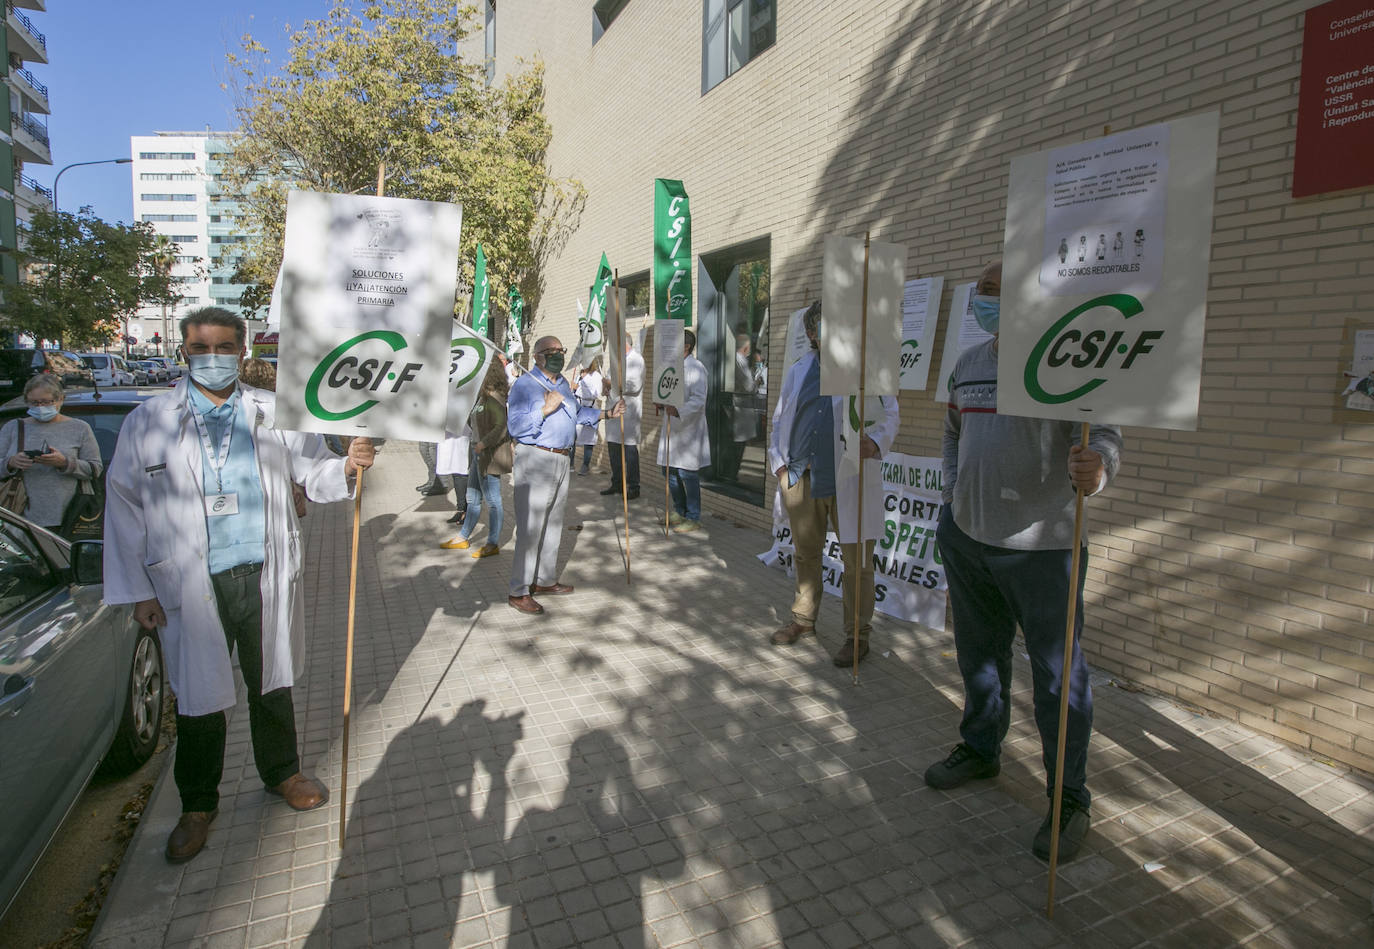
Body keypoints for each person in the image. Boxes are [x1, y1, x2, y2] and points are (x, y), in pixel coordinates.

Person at [103, 307, 376, 864]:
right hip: (188, 583)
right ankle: (198, 804)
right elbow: (123, 508)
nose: (213, 358)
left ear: (243, 353)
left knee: (271, 682)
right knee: (198, 697)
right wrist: (139, 591)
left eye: (225, 348)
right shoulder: (149, 421)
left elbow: (311, 472)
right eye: (200, 349)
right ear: (183, 354)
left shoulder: (274, 412)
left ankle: (282, 774)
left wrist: (348, 466)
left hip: (264, 572)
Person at [923, 259, 1121, 864]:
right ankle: (982, 749)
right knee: (978, 657)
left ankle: (1069, 798)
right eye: (980, 293)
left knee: (1059, 679)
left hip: (1044, 552)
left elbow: (1105, 433)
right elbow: (953, 432)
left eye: (995, 293)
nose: (984, 301)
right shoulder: (968, 365)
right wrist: (953, 497)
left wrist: (1100, 469)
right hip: (969, 539)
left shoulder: (1069, 360)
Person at [766, 301, 899, 666]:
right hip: (802, 478)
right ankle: (803, 620)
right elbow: (780, 421)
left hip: (850, 477)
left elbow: (890, 412)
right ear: (813, 334)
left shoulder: (866, 368)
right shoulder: (799, 369)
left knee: (858, 563)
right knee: (806, 553)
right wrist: (780, 467)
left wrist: (878, 442)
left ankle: (857, 635)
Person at [505, 336, 621, 615]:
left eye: (561, 350)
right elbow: (516, 426)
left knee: (554, 523)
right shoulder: (525, 385)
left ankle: (545, 579)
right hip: (535, 458)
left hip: (561, 459)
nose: (558, 355)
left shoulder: (563, 386)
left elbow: (577, 413)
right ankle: (519, 590)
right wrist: (544, 409)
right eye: (551, 351)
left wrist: (607, 414)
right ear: (537, 357)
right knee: (531, 527)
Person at [0, 375, 102, 531]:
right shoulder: (13, 427)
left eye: (46, 402)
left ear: (60, 400)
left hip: (70, 517)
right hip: (20, 518)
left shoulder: (80, 428)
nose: (40, 407)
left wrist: (64, 463)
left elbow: (95, 469)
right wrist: (10, 462)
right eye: (34, 403)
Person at [441, 358, 511, 558]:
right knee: (472, 497)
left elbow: (501, 426)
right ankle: (463, 537)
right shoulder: (482, 396)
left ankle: (493, 542)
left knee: (493, 500)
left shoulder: (495, 397)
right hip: (478, 452)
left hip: (489, 455)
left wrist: (483, 443)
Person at [656, 330, 710, 534]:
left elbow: (698, 400)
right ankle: (679, 510)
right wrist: (661, 403)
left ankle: (694, 516)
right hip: (672, 429)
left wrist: (678, 410)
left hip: (688, 430)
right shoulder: (672, 367)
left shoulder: (696, 369)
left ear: (686, 346)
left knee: (687, 474)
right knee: (669, 472)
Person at [601, 332, 644, 500]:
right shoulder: (615, 361)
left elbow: (633, 385)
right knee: (614, 451)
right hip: (613, 411)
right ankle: (617, 483)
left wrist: (610, 383)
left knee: (630, 452)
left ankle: (634, 486)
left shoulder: (636, 360)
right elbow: (608, 383)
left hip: (628, 414)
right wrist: (605, 388)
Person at [574, 356, 603, 476]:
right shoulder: (579, 375)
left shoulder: (596, 376)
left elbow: (595, 393)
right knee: (572, 437)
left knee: (589, 440)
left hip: (590, 409)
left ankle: (585, 465)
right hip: (579, 407)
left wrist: (583, 385)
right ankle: (570, 464)